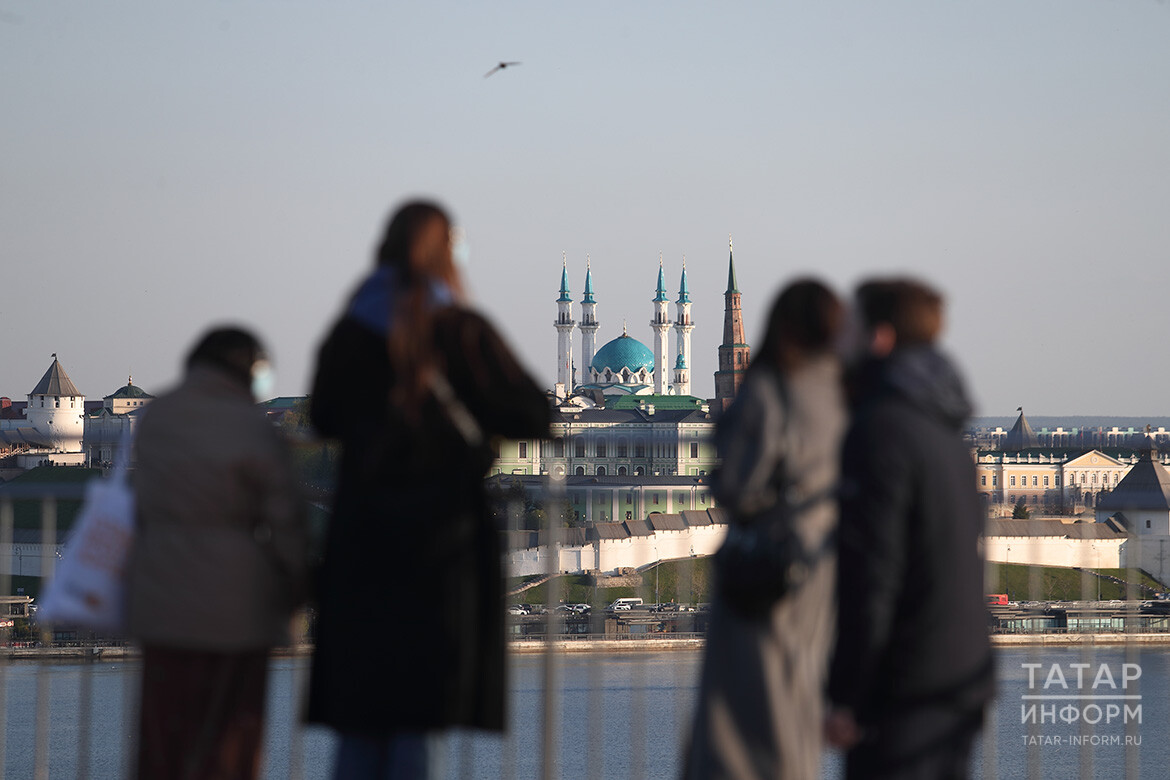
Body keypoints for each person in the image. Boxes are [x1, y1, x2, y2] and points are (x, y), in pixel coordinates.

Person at [306, 200, 550, 778]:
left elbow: (323, 415)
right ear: (448, 253)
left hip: (363, 539)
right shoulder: (462, 329)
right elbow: (533, 413)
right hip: (442, 545)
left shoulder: (352, 329)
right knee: (421, 710)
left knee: (362, 710)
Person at [825, 279, 994, 780]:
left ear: (879, 337)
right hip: (961, 675)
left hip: (902, 685)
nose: (840, 341)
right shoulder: (943, 424)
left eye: (850, 328)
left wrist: (845, 695)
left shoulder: (880, 430)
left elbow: (873, 575)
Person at [127, 327, 309, 780]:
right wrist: (298, 583)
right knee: (231, 739)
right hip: (236, 606)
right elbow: (285, 520)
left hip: (160, 599)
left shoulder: (156, 417)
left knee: (164, 736)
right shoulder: (251, 425)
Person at [684, 279, 848, 780]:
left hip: (764, 574)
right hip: (822, 571)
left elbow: (736, 483)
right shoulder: (844, 394)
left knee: (743, 708)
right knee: (797, 698)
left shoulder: (770, 390)